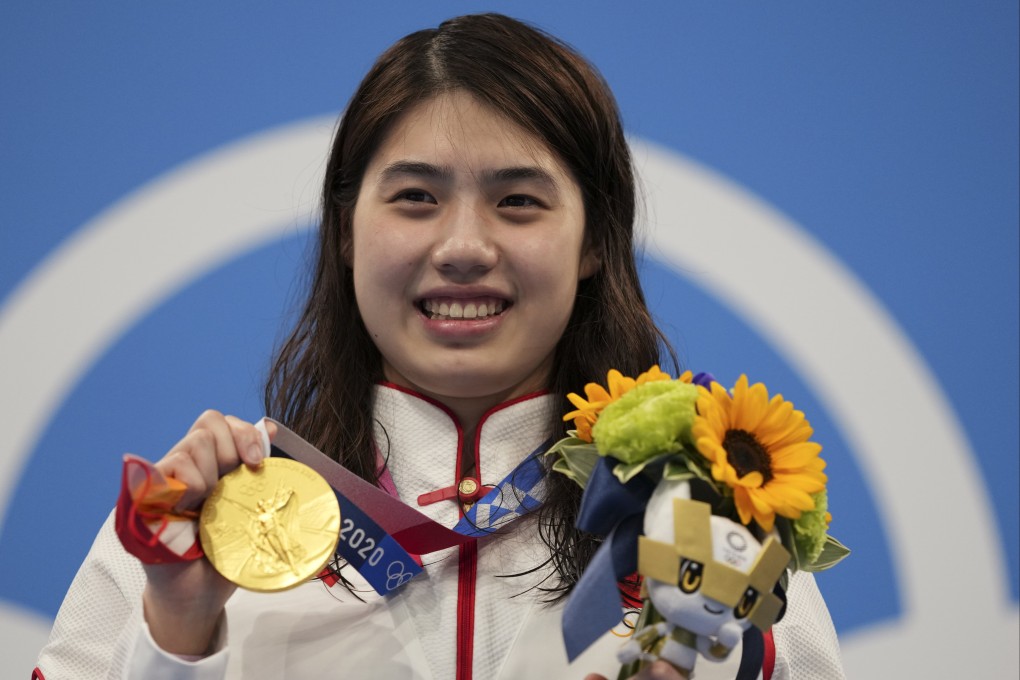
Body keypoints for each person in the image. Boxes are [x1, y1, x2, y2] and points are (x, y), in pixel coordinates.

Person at [34, 13, 845, 680]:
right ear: (347, 231)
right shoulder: (190, 533)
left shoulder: (715, 529)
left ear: (594, 241)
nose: (462, 245)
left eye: (519, 201)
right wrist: (177, 633)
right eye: (416, 197)